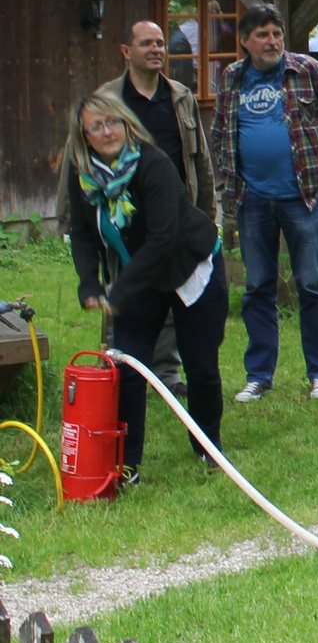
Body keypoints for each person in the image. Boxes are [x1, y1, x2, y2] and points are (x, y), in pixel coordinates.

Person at [212, 4, 318, 403]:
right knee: (257, 287)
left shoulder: (308, 70)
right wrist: (228, 174)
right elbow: (220, 130)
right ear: (245, 41)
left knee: (311, 284)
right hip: (251, 198)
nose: (272, 42)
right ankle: (258, 376)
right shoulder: (232, 77)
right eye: (262, 35)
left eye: (277, 34)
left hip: (302, 197)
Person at [66, 93, 228, 485]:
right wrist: (89, 282)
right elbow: (82, 234)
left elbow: (163, 239)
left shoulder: (153, 164)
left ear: (127, 124)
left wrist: (119, 292)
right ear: (84, 136)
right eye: (96, 126)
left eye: (113, 122)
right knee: (127, 366)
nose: (108, 132)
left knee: (201, 366)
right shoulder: (81, 174)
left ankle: (208, 447)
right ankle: (127, 465)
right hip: (139, 275)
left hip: (190, 265)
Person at [56, 20, 218, 398]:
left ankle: (167, 371)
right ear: (127, 52)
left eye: (161, 43)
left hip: (173, 212)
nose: (157, 49)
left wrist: (208, 207)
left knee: (172, 291)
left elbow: (200, 159)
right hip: (122, 215)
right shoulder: (106, 100)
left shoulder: (180, 96)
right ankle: (124, 370)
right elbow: (76, 167)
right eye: (147, 43)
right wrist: (69, 218)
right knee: (130, 292)